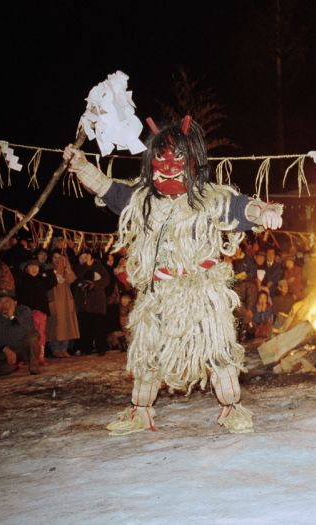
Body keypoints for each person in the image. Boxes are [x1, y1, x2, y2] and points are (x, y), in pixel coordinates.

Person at [63, 115, 283, 435]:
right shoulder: (144, 200)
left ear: (192, 161)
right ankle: (141, 411)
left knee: (218, 352)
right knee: (148, 352)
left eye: (177, 158)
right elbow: (111, 191)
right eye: (161, 158)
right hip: (159, 295)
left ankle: (231, 407)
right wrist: (81, 166)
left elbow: (239, 208)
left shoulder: (209, 199)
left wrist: (263, 211)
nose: (168, 166)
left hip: (202, 293)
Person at [0, 289, 40, 375]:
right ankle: (8, 368)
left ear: (15, 302)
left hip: (22, 349)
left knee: (32, 338)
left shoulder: (23, 311)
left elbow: (26, 331)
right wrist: (5, 350)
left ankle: (33, 365)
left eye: (7, 301)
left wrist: (12, 317)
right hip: (5, 352)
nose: (4, 305)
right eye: (1, 302)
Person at [15, 259, 57, 365]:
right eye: (31, 267)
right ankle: (24, 358)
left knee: (40, 334)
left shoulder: (42, 279)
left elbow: (53, 282)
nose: (34, 269)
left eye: (36, 267)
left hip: (40, 311)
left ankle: (40, 357)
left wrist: (48, 268)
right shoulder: (22, 279)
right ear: (26, 269)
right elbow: (16, 282)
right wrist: (20, 269)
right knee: (25, 334)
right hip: (25, 312)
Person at [46, 249, 79, 358]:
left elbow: (71, 279)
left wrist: (66, 267)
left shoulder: (65, 268)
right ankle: (55, 349)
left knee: (66, 323)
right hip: (54, 298)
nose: (57, 260)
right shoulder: (49, 269)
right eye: (54, 257)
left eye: (59, 257)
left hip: (65, 299)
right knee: (54, 324)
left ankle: (64, 348)